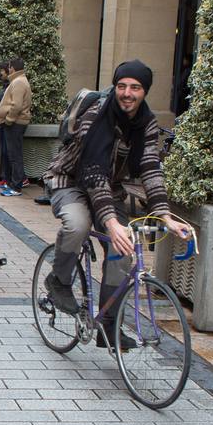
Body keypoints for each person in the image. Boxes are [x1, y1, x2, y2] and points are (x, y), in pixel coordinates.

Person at [37, 60, 189, 347]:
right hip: (69, 181)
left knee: (123, 249)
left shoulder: (146, 123)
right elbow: (94, 172)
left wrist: (165, 215)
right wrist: (111, 223)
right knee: (79, 223)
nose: (127, 93)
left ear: (145, 91)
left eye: (135, 87)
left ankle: (109, 325)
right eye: (121, 86)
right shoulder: (97, 115)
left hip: (110, 190)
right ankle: (59, 280)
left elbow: (150, 169)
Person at [0, 57, 32, 196]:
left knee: (15, 155)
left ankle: (16, 187)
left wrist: (9, 120)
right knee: (13, 154)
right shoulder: (19, 80)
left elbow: (16, 105)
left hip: (15, 123)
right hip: (16, 122)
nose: (8, 69)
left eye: (9, 67)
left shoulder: (19, 82)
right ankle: (12, 184)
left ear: (12, 68)